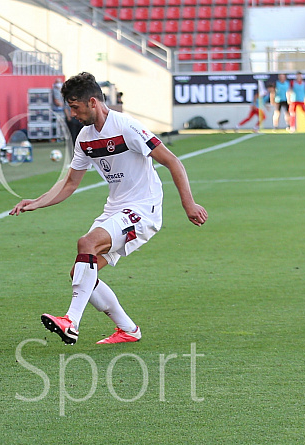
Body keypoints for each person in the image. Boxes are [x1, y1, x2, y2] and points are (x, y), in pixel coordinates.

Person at [10, 72, 208, 345]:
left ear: (93, 102)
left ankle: (71, 321)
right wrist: (36, 202)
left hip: (143, 210)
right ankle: (127, 329)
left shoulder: (127, 127)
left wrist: (189, 204)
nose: (72, 113)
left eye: (75, 107)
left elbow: (173, 161)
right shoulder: (85, 138)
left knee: (87, 243)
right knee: (80, 272)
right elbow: (69, 184)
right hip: (116, 209)